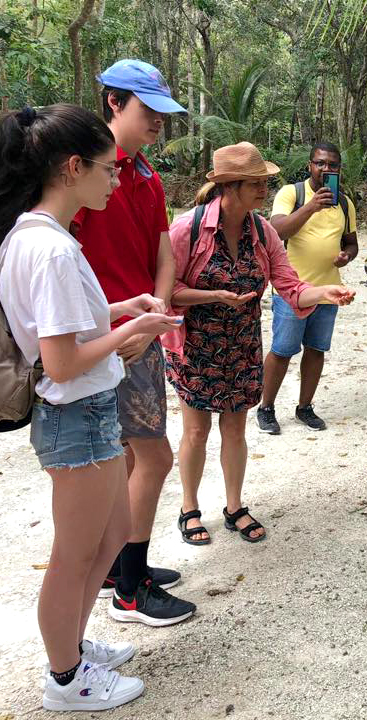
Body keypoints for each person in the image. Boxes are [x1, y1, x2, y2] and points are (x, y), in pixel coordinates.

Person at [0, 104, 182, 710]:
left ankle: (73, 647)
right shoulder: (50, 249)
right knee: (74, 557)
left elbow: (69, 332)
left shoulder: (42, 237)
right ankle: (63, 679)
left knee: (104, 544)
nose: (114, 180)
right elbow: (59, 361)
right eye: (107, 169)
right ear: (72, 168)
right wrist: (132, 336)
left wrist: (122, 308)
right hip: (74, 416)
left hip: (91, 410)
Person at [164, 142, 354, 545]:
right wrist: (213, 297)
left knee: (235, 429)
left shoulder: (261, 230)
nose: (265, 188)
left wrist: (322, 294)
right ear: (230, 186)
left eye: (265, 181)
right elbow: (167, 292)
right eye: (257, 182)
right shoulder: (187, 228)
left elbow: (289, 285)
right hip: (196, 345)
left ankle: (234, 507)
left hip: (242, 345)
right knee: (196, 432)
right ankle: (189, 507)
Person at [71, 59, 196, 626]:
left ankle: (117, 566)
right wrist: (115, 328)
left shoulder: (145, 175)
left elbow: (163, 249)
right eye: (149, 112)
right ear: (114, 103)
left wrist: (161, 309)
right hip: (107, 337)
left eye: (163, 116)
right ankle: (131, 585)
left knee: (127, 456)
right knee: (154, 455)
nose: (157, 125)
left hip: (141, 327)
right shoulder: (84, 173)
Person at [256, 142, 358, 434]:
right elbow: (276, 231)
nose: (327, 169)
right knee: (282, 350)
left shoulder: (345, 203)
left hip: (329, 290)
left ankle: (305, 408)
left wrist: (345, 256)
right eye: (321, 163)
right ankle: (266, 408)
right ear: (309, 165)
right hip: (292, 290)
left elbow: (351, 243)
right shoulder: (293, 193)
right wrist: (312, 206)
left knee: (316, 349)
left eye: (333, 165)